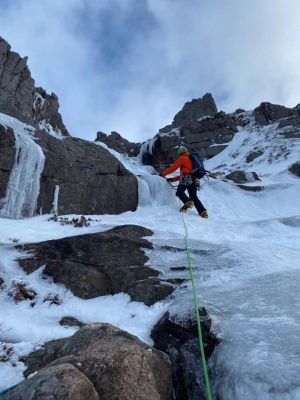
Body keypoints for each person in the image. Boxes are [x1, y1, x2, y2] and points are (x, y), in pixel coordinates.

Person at [160, 146, 208, 218]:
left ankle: (187, 202)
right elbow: (184, 174)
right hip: (194, 179)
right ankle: (203, 212)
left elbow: (173, 168)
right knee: (193, 196)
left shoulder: (183, 158)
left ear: (181, 153)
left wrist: (162, 174)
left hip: (186, 178)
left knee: (179, 192)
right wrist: (172, 179)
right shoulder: (191, 160)